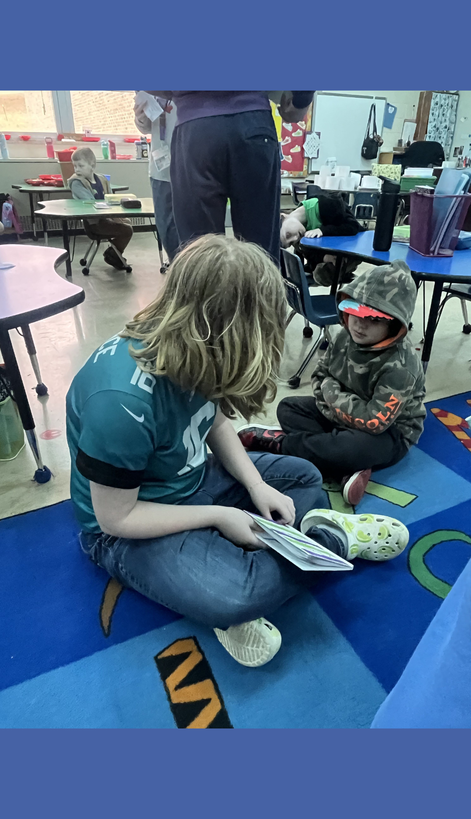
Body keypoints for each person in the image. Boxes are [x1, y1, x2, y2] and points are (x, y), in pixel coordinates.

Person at [67, 234, 410, 668]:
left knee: (302, 478)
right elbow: (115, 518)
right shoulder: (120, 402)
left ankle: (245, 557)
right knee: (234, 596)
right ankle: (330, 540)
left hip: (190, 480)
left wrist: (254, 484)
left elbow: (215, 419)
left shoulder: (189, 346)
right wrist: (220, 516)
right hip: (127, 525)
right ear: (224, 329)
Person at [239, 261, 426, 507]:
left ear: (394, 324)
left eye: (374, 318)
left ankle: (283, 444)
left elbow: (374, 421)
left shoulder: (401, 366)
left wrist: (331, 393)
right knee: (288, 408)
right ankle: (345, 468)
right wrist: (332, 399)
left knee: (353, 447)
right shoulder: (344, 336)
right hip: (344, 415)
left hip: (390, 434)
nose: (360, 323)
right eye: (354, 310)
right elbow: (319, 376)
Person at [145, 91, 314, 261]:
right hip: (253, 121)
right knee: (260, 254)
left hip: (195, 127)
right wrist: (302, 100)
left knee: (199, 255)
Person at [67, 147, 134, 271]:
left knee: (127, 223)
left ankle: (114, 253)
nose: (77, 170)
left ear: (92, 165)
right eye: (74, 166)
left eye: (80, 166)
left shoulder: (102, 179)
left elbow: (110, 198)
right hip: (94, 223)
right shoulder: (76, 182)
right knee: (127, 230)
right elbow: (90, 202)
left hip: (107, 217)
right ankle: (113, 255)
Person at [133, 92, 181, 261]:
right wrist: (140, 115)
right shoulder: (151, 90)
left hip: (189, 166)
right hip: (161, 170)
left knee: (194, 233)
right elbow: (145, 128)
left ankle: (194, 277)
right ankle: (178, 275)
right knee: (167, 230)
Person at [280, 191, 365, 285]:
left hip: (351, 249)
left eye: (288, 235)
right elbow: (310, 255)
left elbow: (353, 227)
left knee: (323, 274)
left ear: (282, 217)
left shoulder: (326, 205)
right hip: (330, 256)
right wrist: (324, 257)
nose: (294, 238)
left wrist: (322, 231)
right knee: (319, 274)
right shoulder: (299, 236)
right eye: (290, 243)